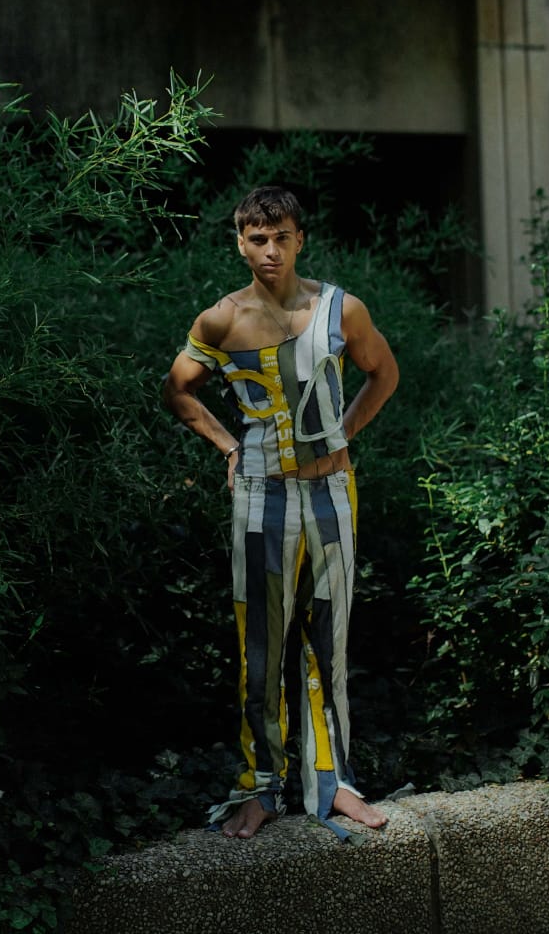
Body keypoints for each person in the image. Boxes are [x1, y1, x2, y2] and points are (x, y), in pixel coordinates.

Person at [162, 185, 399, 841]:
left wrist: (343, 435)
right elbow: (177, 389)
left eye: (282, 238)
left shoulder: (340, 308)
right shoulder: (221, 319)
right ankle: (260, 787)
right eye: (258, 239)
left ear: (300, 241)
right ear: (240, 243)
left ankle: (334, 784)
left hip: (331, 493)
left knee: (330, 642)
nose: (270, 250)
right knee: (260, 649)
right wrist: (228, 446)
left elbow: (384, 373)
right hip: (261, 495)